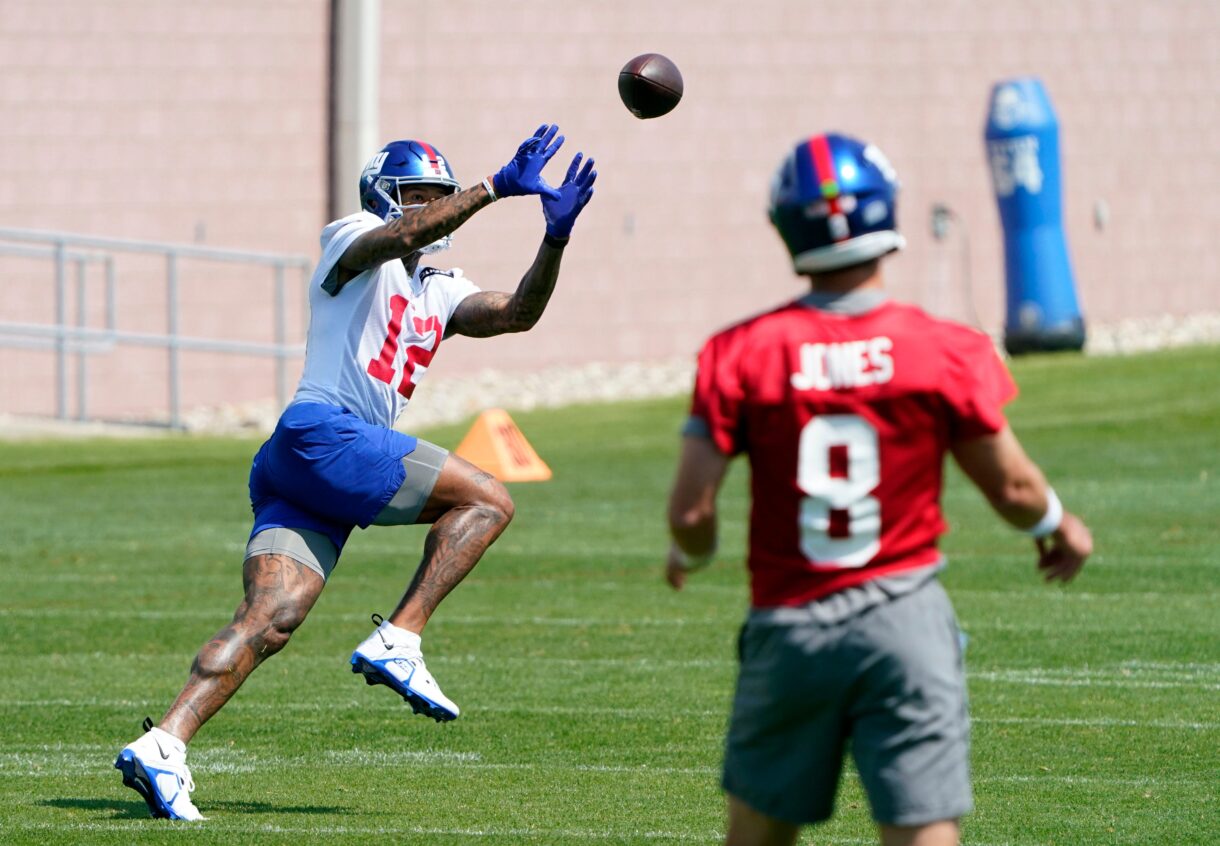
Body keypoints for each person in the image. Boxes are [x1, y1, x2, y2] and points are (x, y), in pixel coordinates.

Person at [115, 124, 597, 821]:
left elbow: (517, 313)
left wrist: (554, 239)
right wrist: (491, 187)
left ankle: (165, 743)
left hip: (309, 464)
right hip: (325, 434)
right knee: (489, 500)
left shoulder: (439, 286)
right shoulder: (351, 239)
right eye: (418, 197)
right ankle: (400, 636)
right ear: (382, 196)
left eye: (437, 197)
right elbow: (395, 239)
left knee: (269, 620)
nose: (429, 210)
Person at [663, 132, 1092, 846]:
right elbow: (1013, 486)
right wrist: (1057, 525)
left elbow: (690, 511)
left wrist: (694, 556)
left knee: (758, 835)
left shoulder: (740, 350)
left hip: (793, 623)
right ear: (885, 214)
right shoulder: (944, 347)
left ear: (786, 224)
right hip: (904, 618)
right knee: (923, 830)